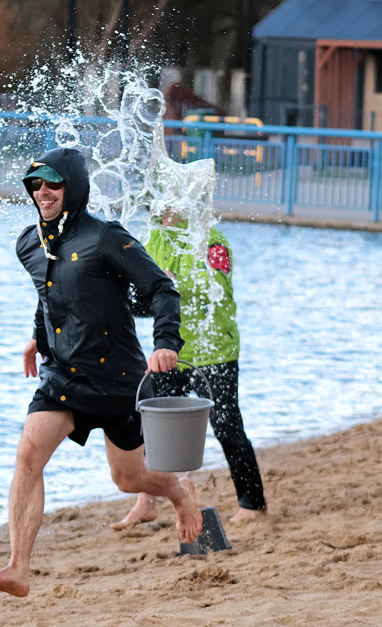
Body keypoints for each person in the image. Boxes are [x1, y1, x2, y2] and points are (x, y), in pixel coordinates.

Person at [0, 147, 203, 598]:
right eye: (35, 184)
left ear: (73, 188)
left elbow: (162, 288)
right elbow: (48, 293)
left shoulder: (105, 237)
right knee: (28, 455)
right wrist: (37, 337)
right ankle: (19, 567)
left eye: (53, 183)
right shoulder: (29, 244)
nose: (42, 192)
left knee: (127, 479)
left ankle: (178, 491)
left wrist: (165, 344)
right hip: (62, 376)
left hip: (118, 379)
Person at [111, 208, 267, 529]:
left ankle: (252, 504)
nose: (160, 206)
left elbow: (212, 291)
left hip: (215, 350)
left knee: (227, 426)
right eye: (157, 197)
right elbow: (143, 300)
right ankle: (146, 501)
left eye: (170, 198)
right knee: (152, 428)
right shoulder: (153, 238)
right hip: (169, 350)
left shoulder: (213, 240)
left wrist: (167, 284)